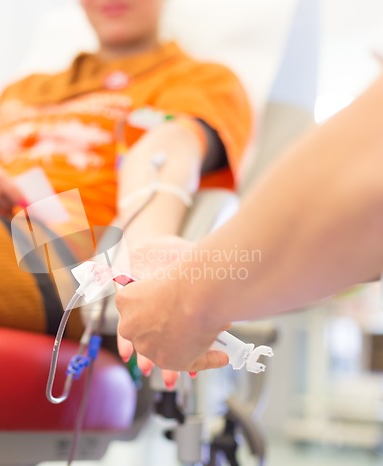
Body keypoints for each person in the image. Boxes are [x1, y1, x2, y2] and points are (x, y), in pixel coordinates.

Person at [0, 0, 251, 351]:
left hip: (63, 260)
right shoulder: (23, 90)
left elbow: (171, 147)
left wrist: (145, 244)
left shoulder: (201, 80)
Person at [115, 73, 383, 374]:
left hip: (75, 260)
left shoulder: (200, 79)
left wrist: (182, 294)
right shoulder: (49, 84)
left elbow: (169, 144)